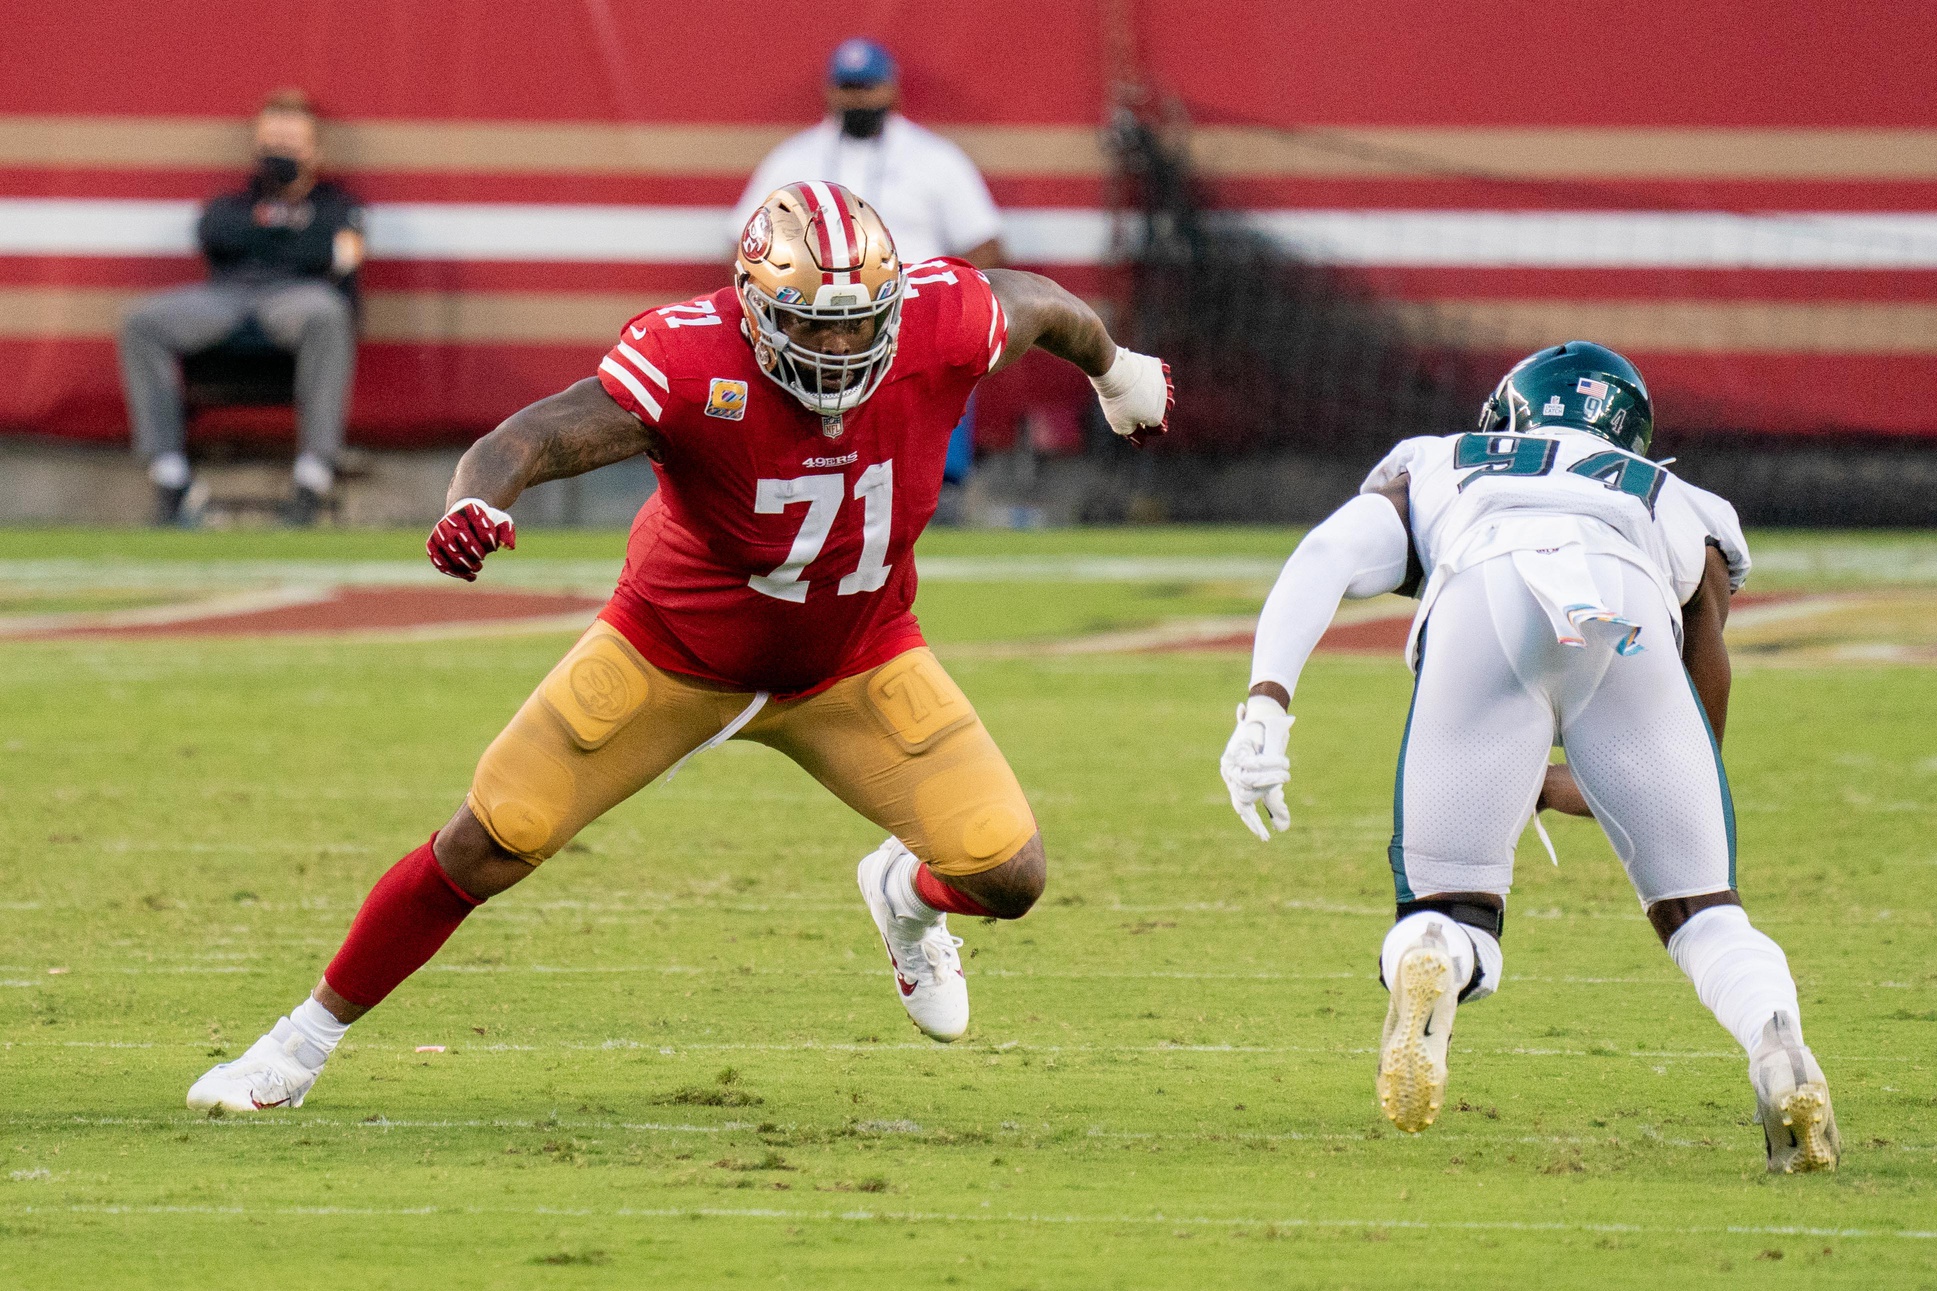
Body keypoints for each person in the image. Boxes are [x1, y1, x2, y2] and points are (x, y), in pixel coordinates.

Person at [186, 181, 1172, 1112]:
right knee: (487, 841)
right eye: (811, 322)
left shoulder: (939, 318)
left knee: (1008, 874)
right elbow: (529, 436)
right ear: (753, 309)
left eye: (856, 320)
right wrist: (478, 499)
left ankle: (905, 899)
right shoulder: (691, 360)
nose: (836, 343)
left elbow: (1040, 305)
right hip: (668, 660)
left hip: (855, 661)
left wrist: (1115, 372)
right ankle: (294, 1046)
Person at [1219, 343, 1841, 1173]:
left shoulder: (1443, 459)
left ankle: (1435, 955)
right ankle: (1776, 1044)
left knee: (1447, 905)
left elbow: (1328, 555)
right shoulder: (1672, 492)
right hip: (1624, 614)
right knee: (1704, 912)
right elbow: (1704, 652)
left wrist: (1267, 702)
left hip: (1486, 591)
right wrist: (1655, 781)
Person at [733, 38, 1002, 504]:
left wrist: (945, 305)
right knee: (817, 447)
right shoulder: (794, 158)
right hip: (813, 326)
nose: (858, 98)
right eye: (848, 87)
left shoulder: (935, 159)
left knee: (928, 454)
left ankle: (942, 497)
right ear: (831, 91)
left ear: (891, 89)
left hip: (910, 313)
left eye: (868, 86)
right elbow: (745, 243)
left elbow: (986, 244)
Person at [117, 90, 364, 527]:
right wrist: (296, 241)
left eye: (291, 142)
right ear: (256, 146)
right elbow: (214, 233)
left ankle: (314, 475)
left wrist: (272, 240)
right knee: (143, 321)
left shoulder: (337, 206)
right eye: (272, 141)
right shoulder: (232, 202)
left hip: (296, 299)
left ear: (315, 150)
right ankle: (171, 476)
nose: (280, 151)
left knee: (328, 313)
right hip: (227, 298)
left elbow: (340, 257)